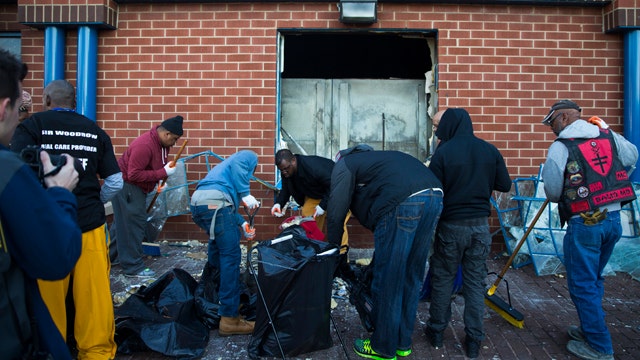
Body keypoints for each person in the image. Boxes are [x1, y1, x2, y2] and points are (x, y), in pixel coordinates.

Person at [11, 79, 123, 359]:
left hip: (45, 224)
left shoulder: (31, 126)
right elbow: (115, 181)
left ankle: (53, 350)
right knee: (93, 295)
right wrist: (94, 201)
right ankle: (96, 352)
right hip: (90, 223)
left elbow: (15, 170)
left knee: (49, 295)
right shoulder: (95, 131)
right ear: (75, 102)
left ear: (46, 99)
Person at [326, 145, 443, 360]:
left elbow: (335, 213)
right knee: (411, 273)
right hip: (435, 195)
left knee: (389, 276)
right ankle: (402, 342)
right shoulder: (382, 161)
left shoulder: (344, 164)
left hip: (404, 202)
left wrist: (332, 251)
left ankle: (383, 347)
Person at [541, 100, 637, 360]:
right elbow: (632, 156)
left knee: (582, 283)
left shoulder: (561, 147)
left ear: (563, 118)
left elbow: (552, 192)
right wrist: (609, 131)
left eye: (551, 122)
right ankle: (589, 328)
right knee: (593, 278)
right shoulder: (606, 135)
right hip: (614, 218)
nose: (551, 128)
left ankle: (599, 345)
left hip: (584, 222)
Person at [0, 49, 81, 360]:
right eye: (21, 107)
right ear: (4, 107)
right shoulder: (7, 171)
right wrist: (60, 193)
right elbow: (55, 258)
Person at [424, 108, 512, 359]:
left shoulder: (443, 153)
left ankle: (437, 332)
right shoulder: (489, 150)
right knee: (475, 284)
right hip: (480, 228)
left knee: (443, 279)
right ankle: (473, 340)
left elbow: (433, 189)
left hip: (450, 227)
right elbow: (504, 185)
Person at [190, 149, 260, 336]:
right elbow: (240, 162)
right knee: (231, 258)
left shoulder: (222, 173)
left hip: (200, 204)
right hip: (216, 204)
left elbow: (225, 210)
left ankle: (213, 301)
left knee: (217, 250)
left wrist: (243, 223)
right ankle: (229, 319)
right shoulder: (248, 157)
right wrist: (245, 193)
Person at [111, 115, 183, 277]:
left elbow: (152, 167)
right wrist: (162, 173)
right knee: (133, 226)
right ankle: (132, 267)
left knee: (122, 225)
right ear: (166, 134)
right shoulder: (144, 145)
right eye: (175, 139)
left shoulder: (162, 145)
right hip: (128, 187)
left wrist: (158, 180)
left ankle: (113, 257)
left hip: (134, 187)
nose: (175, 143)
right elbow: (134, 174)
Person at [272, 149, 350, 251]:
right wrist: (279, 203)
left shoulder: (314, 167)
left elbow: (334, 186)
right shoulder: (287, 170)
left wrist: (322, 206)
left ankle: (341, 255)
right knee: (308, 220)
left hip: (338, 193)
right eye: (281, 170)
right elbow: (286, 188)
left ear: (293, 161)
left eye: (286, 169)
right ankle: (312, 251)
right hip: (316, 195)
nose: (284, 172)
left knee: (337, 222)